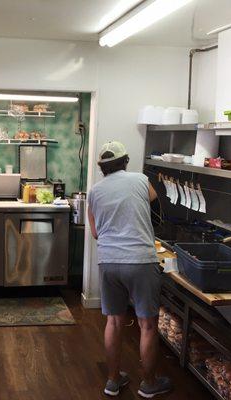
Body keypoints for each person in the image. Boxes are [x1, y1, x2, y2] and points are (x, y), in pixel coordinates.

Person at [87, 141, 171, 398]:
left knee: (113, 321)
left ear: (102, 168)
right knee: (147, 325)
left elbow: (96, 233)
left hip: (109, 261)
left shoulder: (94, 191)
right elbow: (157, 210)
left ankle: (112, 381)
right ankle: (148, 383)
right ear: (125, 161)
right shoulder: (140, 180)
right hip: (140, 260)